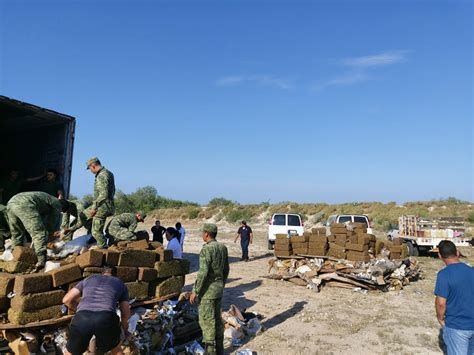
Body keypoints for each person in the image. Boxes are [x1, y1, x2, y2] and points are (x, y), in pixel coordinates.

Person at [62, 265, 130, 355]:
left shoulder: (89, 279)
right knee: (116, 349)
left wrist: (79, 309)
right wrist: (125, 329)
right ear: (115, 275)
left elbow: (66, 300)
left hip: (82, 318)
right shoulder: (120, 283)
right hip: (106, 318)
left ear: (102, 273)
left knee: (70, 352)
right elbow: (125, 311)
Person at [190, 223, 229, 355]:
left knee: (207, 323)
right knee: (217, 321)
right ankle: (220, 351)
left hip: (207, 292)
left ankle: (210, 352)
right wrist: (221, 284)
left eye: (202, 233)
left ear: (206, 234)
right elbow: (226, 269)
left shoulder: (207, 249)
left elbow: (203, 272)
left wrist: (195, 290)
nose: (202, 235)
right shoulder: (222, 247)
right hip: (218, 290)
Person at [6, 191, 68, 267]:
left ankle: (15, 255)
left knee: (17, 232)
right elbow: (51, 223)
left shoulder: (47, 198)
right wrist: (50, 234)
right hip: (25, 204)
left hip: (11, 203)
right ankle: (41, 260)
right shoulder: (57, 204)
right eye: (61, 211)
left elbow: (41, 217)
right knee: (39, 232)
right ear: (62, 207)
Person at [434, 240, 474, 354]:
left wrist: (440, 319)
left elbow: (441, 303)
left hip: (456, 326)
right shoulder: (471, 271)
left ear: (440, 256)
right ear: (457, 252)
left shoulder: (444, 275)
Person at [86, 157, 115, 249]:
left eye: (89, 168)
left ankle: (103, 250)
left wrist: (94, 207)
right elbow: (112, 191)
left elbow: (103, 194)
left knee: (96, 231)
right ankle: (103, 247)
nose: (90, 170)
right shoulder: (109, 173)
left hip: (102, 206)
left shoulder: (101, 175)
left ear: (93, 166)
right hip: (108, 204)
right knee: (98, 229)